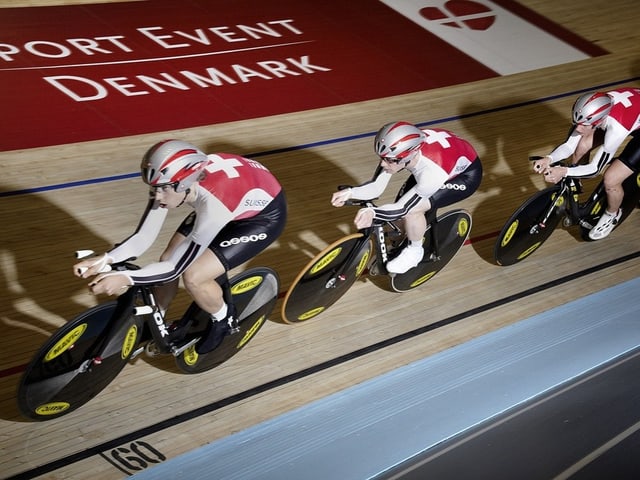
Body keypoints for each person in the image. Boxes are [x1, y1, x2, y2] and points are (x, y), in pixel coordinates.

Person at [74, 139, 287, 353]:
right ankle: (155, 319)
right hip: (234, 196)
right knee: (168, 257)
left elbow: (175, 269)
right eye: (154, 188)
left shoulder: (213, 206)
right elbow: (143, 237)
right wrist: (105, 259)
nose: (157, 196)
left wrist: (126, 278)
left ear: (183, 183)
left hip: (261, 218)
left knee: (194, 276)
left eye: (164, 190)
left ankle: (223, 320)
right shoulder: (173, 182)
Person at [331, 121, 482, 274]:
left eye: (389, 160)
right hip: (441, 159)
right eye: (382, 157)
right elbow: (377, 187)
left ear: (407, 155)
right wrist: (351, 192)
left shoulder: (430, 174)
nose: (383, 164)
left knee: (412, 211)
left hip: (464, 177)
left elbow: (403, 209)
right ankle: (401, 243)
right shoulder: (399, 148)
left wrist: (373, 213)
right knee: (397, 219)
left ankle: (415, 251)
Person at [533, 88, 640, 240]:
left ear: (598, 121)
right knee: (581, 146)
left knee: (611, 179)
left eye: (583, 124)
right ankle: (575, 187)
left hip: (629, 122)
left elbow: (596, 170)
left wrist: (563, 171)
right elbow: (569, 146)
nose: (578, 128)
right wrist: (548, 159)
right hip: (632, 111)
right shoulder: (594, 109)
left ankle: (612, 214)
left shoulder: (617, 128)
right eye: (577, 122)